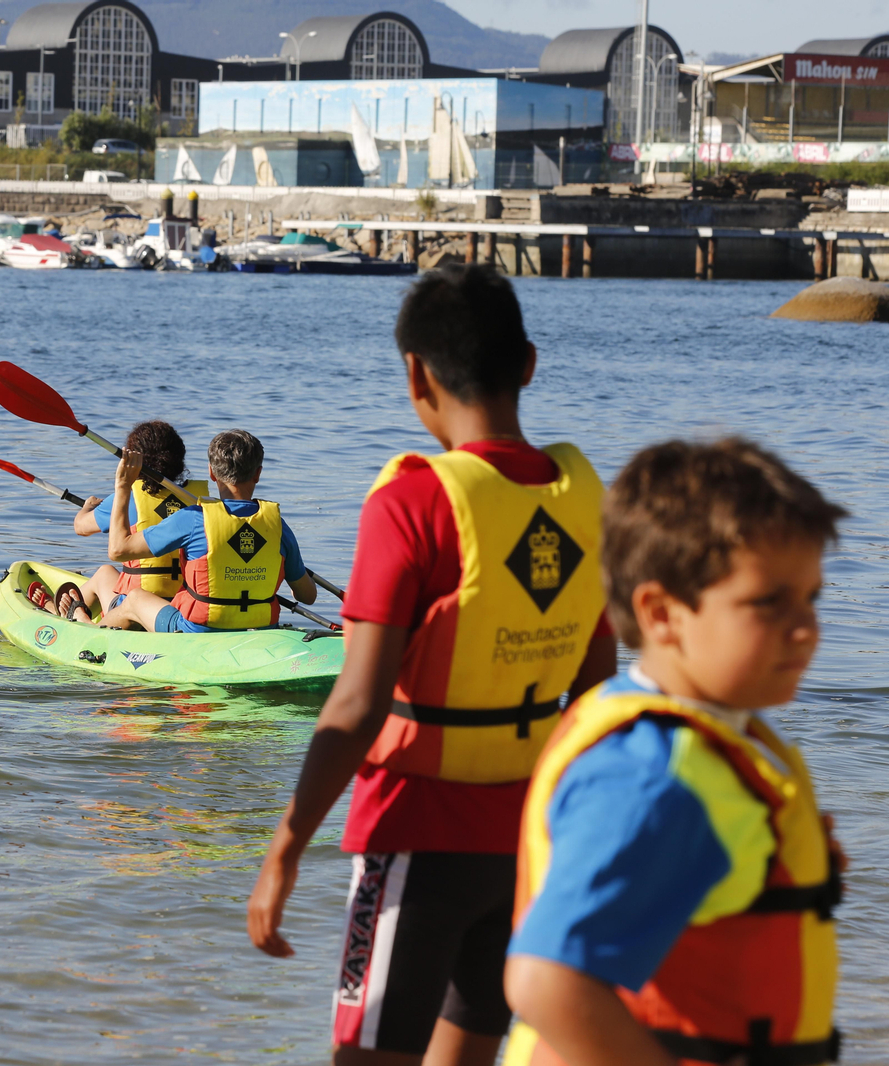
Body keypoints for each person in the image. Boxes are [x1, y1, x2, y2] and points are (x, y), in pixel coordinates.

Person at [245, 264, 617, 1066]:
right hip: (528, 837)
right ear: (528, 363)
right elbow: (597, 697)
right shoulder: (585, 499)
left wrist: (285, 845)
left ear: (415, 375)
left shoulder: (411, 504)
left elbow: (356, 706)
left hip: (413, 832)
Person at [502, 439, 847, 1066]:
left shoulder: (707, 736)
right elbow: (546, 980)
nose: (806, 628)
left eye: (812, 597)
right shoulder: (657, 776)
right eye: (769, 602)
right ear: (662, 614)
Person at [100, 428, 317, 633]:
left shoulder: (193, 519)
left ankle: (89, 632)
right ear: (258, 473)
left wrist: (123, 486)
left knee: (135, 598)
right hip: (261, 627)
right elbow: (307, 596)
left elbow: (118, 551)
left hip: (196, 630)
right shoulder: (278, 526)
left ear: (212, 473)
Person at [55, 420, 209, 624]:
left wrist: (87, 508)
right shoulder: (198, 501)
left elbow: (81, 527)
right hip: (183, 604)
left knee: (104, 573)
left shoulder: (125, 499)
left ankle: (70, 616)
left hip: (135, 608)